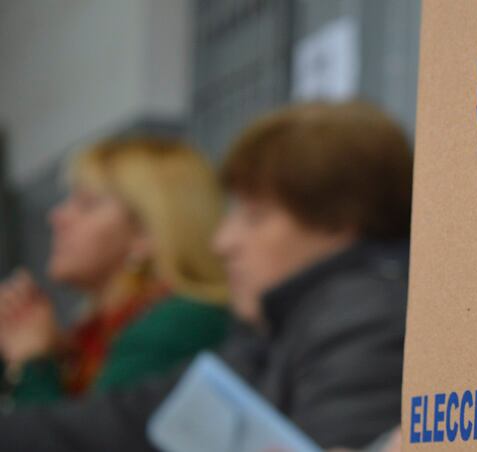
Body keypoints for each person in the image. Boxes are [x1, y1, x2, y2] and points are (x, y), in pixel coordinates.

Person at [0, 101, 413, 451]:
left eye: (255, 216)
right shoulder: (268, 331)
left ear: (338, 222)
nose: (224, 241)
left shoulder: (360, 319)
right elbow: (129, 416)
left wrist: (35, 365)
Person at [0, 138, 230, 407]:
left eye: (87, 204)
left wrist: (33, 362)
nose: (58, 216)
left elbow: (77, 443)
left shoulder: (178, 324)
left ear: (145, 233)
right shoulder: (91, 338)